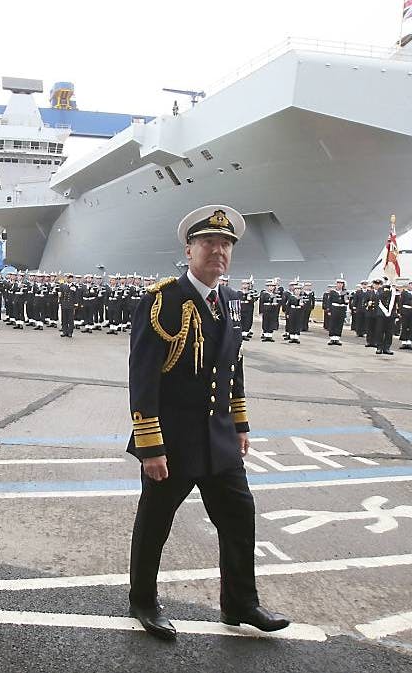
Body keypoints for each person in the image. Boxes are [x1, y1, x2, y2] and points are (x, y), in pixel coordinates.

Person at [127, 204, 289, 641]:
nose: (219, 251)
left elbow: (233, 368)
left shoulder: (232, 301)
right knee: (155, 524)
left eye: (226, 244)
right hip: (172, 442)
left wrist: (240, 425)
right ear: (189, 249)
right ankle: (143, 600)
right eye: (209, 243)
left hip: (218, 440)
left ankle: (240, 603)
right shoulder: (162, 300)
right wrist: (150, 446)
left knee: (240, 517)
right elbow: (142, 379)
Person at [323, 279, 348, 346]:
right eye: (338, 283)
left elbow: (346, 302)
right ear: (336, 284)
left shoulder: (345, 293)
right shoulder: (332, 292)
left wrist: (345, 297)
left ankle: (337, 338)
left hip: (341, 309)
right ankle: (332, 338)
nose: (340, 285)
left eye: (341, 283)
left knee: (339, 324)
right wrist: (329, 310)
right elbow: (329, 301)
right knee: (333, 323)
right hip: (334, 308)